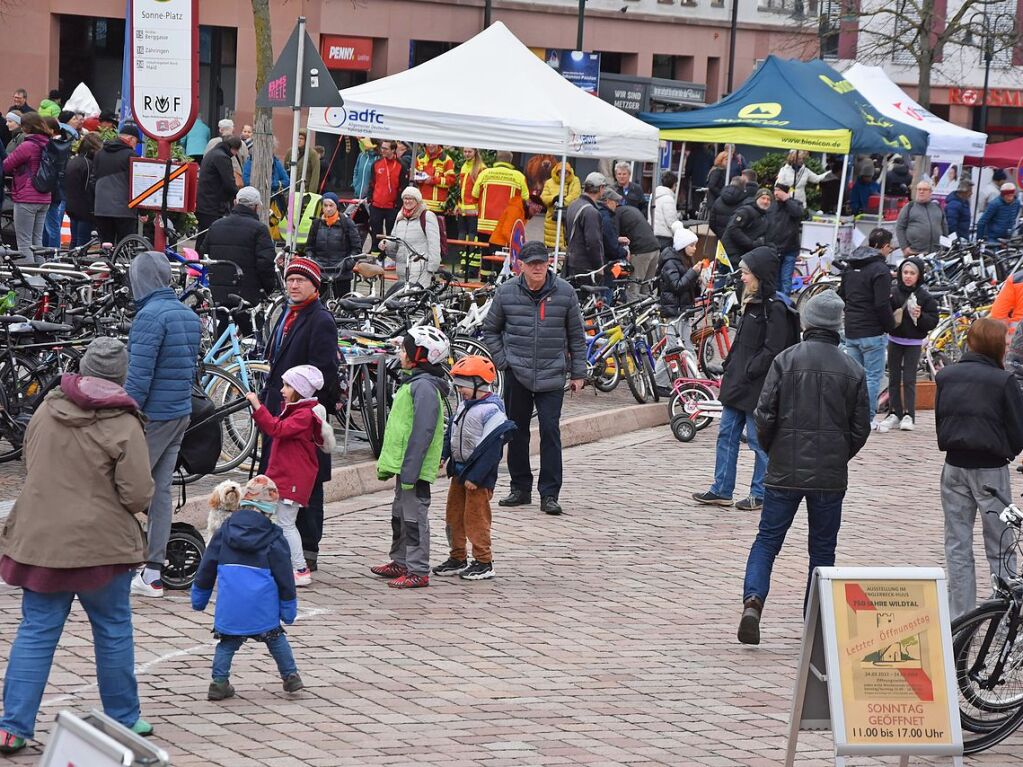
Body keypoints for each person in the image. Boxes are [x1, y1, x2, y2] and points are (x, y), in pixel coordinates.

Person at [0, 339, 155, 754]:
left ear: (82, 369)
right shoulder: (124, 423)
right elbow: (137, 494)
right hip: (102, 547)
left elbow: (34, 466)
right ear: (121, 377)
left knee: (35, 632)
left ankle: (12, 726)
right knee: (113, 629)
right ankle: (123, 719)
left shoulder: (47, 410)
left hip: (42, 541)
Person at [738, 291, 870, 644]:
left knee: (767, 541)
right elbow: (861, 427)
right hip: (829, 475)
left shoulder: (786, 359)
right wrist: (839, 454)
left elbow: (764, 414)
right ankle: (814, 621)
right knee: (823, 550)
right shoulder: (853, 369)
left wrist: (774, 449)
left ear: (808, 322)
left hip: (784, 468)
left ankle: (753, 600)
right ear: (837, 325)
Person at [483, 241, 587, 516]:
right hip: (518, 373)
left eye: (542, 262)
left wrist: (578, 372)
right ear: (521, 266)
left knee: (550, 431)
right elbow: (490, 330)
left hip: (552, 373)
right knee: (516, 431)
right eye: (532, 264)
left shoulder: (564, 293)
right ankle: (520, 487)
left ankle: (549, 493)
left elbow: (577, 335)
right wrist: (503, 361)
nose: (538, 267)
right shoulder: (506, 293)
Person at [123, 252, 200, 598]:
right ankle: (153, 571)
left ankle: (114, 560)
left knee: (122, 486)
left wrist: (120, 412)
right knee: (160, 492)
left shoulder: (148, 318)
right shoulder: (187, 314)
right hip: (179, 412)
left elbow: (138, 379)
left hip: (152, 416)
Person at [935, 318, 1023, 619]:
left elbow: (941, 418)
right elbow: (1017, 429)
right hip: (990, 468)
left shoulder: (946, 376)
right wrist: (1009, 451)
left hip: (954, 464)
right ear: (996, 344)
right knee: (1000, 541)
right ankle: (1005, 612)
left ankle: (960, 613)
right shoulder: (1003, 380)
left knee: (957, 542)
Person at [260, 257, 340, 574]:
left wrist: (306, 413)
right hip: (281, 410)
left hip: (302, 417)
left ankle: (307, 549)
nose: (293, 285)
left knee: (308, 482)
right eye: (290, 279)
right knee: (281, 477)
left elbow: (325, 373)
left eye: (300, 281)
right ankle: (282, 544)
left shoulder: (320, 319)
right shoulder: (288, 313)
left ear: (315, 286)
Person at [191, 475, 303, 701]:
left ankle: (219, 682)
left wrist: (199, 596)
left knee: (227, 644)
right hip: (263, 607)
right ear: (269, 509)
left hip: (231, 606)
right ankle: (291, 677)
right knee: (276, 639)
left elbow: (207, 566)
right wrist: (288, 608)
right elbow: (284, 578)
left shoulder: (223, 532)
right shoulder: (274, 537)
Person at [693, 247, 788, 512]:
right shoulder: (751, 301)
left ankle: (760, 493)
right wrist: (730, 364)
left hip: (756, 385)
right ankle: (721, 489)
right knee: (726, 434)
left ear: (760, 274)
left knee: (758, 442)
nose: (742, 277)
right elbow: (742, 340)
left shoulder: (775, 308)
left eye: (746, 273)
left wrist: (749, 369)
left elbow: (773, 349)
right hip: (738, 382)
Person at [371, 326, 450, 589]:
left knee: (414, 518)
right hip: (404, 465)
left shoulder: (425, 387)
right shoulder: (413, 382)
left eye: (405, 349)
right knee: (400, 514)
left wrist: (411, 467)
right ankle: (400, 560)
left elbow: (423, 430)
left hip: (413, 468)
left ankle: (418, 569)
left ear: (420, 355)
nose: (401, 353)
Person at [432, 356, 516, 581]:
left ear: (479, 383)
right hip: (459, 473)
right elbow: (452, 432)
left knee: (476, 519)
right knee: (454, 516)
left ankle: (484, 561)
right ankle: (458, 556)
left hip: (478, 479)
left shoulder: (491, 412)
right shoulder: (464, 405)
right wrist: (444, 455)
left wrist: (477, 477)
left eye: (462, 386)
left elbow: (492, 451)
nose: (459, 390)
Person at [247, 366, 331, 587]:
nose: (282, 390)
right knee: (277, 520)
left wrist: (258, 406)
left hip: (293, 479)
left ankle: (300, 568)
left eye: (287, 386)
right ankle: (277, 561)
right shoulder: (298, 410)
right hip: (286, 476)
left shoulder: (303, 415)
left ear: (300, 390)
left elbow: (277, 429)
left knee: (286, 523)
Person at [839, 227, 897, 429]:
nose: (890, 251)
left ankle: (849, 416)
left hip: (852, 328)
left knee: (854, 376)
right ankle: (867, 418)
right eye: (890, 247)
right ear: (883, 247)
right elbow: (882, 304)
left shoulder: (850, 266)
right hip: (872, 330)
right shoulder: (880, 270)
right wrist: (890, 325)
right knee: (872, 377)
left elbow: (841, 294)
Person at [878, 257, 939, 433]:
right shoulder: (893, 293)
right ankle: (894, 412)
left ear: (919, 275)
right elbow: (885, 314)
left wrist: (920, 317)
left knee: (910, 379)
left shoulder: (924, 296)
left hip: (913, 342)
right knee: (894, 378)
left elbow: (932, 321)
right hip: (894, 339)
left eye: (912, 273)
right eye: (905, 272)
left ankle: (909, 415)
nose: (908, 276)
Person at [202, 187, 277, 325]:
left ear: (235, 202)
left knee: (220, 340)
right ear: (256, 207)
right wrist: (268, 288)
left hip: (218, 294)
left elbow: (205, 252)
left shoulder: (216, 225)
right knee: (254, 339)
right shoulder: (259, 229)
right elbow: (265, 263)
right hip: (247, 295)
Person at [654, 225, 705, 390]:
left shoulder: (684, 261)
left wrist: (698, 279)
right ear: (683, 246)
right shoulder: (670, 263)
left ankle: (692, 382)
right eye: (692, 245)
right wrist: (693, 273)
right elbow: (676, 286)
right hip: (673, 311)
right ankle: (659, 381)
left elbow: (690, 288)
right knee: (671, 348)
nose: (694, 248)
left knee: (687, 346)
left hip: (683, 311)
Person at [2, 112, 51, 260]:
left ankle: (29, 278)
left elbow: (6, 165)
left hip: (26, 197)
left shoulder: (28, 145)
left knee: (24, 242)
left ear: (27, 127)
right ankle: (42, 277)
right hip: (45, 197)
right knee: (37, 242)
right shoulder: (48, 143)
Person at [305, 191, 362, 298]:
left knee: (341, 305)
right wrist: (313, 261)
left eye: (331, 205)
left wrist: (346, 265)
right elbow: (309, 247)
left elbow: (356, 249)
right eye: (325, 205)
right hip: (320, 272)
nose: (328, 209)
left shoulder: (347, 223)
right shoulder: (316, 224)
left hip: (341, 274)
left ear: (336, 206)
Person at [382, 186, 441, 288]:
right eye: (405, 198)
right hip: (402, 268)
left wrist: (432, 267)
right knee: (403, 300)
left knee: (415, 298)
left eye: (411, 199)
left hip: (420, 268)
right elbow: (394, 239)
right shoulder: (400, 216)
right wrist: (386, 244)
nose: (407, 201)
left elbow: (434, 243)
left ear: (417, 200)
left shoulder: (427, 216)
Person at [92, 121, 140, 244]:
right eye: (136, 141)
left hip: (101, 208)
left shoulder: (100, 153)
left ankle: (105, 263)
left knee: (106, 245)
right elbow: (136, 184)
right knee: (124, 246)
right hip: (124, 210)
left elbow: (93, 180)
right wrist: (142, 211)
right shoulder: (131, 155)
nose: (136, 145)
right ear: (130, 139)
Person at [472, 151, 529, 248]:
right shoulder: (519, 176)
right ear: (510, 161)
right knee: (502, 257)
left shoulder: (484, 173)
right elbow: (526, 199)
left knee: (485, 255)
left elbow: (474, 195)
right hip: (506, 226)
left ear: (496, 159)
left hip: (485, 225)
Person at [195, 135, 241, 253]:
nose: (235, 154)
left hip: (204, 201)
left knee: (202, 235)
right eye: (236, 151)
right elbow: (229, 182)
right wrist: (238, 195)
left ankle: (196, 262)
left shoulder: (213, 153)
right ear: (234, 148)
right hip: (213, 203)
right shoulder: (223, 158)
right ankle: (201, 262)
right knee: (208, 236)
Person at [616, 188, 661, 300]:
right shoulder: (631, 210)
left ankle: (633, 317)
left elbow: (614, 238)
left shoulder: (616, 214)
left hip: (641, 251)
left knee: (633, 289)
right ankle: (648, 315)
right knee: (646, 288)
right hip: (655, 248)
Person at [62, 132, 103, 248]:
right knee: (82, 242)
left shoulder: (74, 161)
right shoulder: (88, 164)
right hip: (85, 209)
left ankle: (71, 263)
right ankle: (78, 264)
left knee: (74, 240)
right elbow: (89, 187)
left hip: (72, 206)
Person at [367, 140, 407, 252]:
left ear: (393, 150)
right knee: (375, 235)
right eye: (382, 148)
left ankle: (389, 258)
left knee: (391, 236)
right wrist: (370, 199)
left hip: (392, 207)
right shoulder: (376, 164)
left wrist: (398, 205)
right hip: (376, 205)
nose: (382, 150)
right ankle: (376, 257)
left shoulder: (401, 166)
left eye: (385, 148)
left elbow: (403, 187)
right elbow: (372, 183)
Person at [564, 172, 606, 279]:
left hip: (571, 261)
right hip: (585, 266)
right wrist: (599, 267)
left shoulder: (573, 205)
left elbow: (566, 233)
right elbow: (593, 242)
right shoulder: (591, 211)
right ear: (601, 188)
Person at [766, 183, 805, 297]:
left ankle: (785, 304)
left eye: (778, 190)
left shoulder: (795, 204)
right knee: (775, 280)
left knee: (786, 280)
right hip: (774, 248)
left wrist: (787, 199)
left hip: (790, 249)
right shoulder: (772, 206)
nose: (776, 193)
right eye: (775, 190)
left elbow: (798, 213)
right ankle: (776, 303)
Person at [721, 187, 773, 267]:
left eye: (768, 199)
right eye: (763, 198)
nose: (765, 201)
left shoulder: (764, 217)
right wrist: (750, 243)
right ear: (756, 199)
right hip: (732, 254)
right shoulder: (746, 211)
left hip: (745, 255)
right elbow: (733, 228)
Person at [455, 147, 487, 275]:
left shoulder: (481, 168)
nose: (466, 154)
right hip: (463, 209)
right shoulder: (464, 166)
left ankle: (472, 269)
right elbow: (461, 189)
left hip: (474, 211)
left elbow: (482, 191)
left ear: (475, 152)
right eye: (465, 151)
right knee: (462, 237)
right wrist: (458, 204)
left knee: (473, 239)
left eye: (469, 152)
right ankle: (463, 266)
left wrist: (477, 208)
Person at [895, 179, 948, 256]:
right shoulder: (909, 207)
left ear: (930, 192)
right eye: (919, 189)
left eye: (924, 189)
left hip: (936, 253)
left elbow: (944, 226)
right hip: (915, 253)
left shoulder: (937, 207)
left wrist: (945, 247)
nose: (921, 191)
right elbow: (900, 227)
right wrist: (904, 248)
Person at [540, 161, 580, 249]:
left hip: (568, 218)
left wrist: (563, 202)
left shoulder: (575, 181)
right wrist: (553, 198)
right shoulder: (549, 182)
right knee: (552, 249)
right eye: (560, 172)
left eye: (566, 172)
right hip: (552, 220)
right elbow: (543, 197)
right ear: (556, 172)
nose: (563, 174)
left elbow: (575, 195)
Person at [414, 144, 456, 217]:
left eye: (433, 143)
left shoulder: (446, 160)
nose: (430, 145)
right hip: (421, 206)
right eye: (428, 143)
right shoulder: (420, 158)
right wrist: (417, 179)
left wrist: (433, 180)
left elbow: (451, 181)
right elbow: (413, 176)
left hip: (437, 208)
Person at [709, 176, 749, 240]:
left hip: (720, 236)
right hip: (736, 240)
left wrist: (718, 233)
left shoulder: (718, 200)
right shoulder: (745, 201)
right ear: (744, 186)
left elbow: (712, 221)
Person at [284, 129, 320, 197]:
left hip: (304, 190)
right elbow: (284, 171)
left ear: (306, 140)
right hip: (290, 190)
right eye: (297, 138)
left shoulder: (312, 154)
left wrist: (311, 193)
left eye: (301, 138)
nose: (299, 140)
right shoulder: (290, 152)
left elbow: (315, 175)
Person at [651, 170, 680, 250]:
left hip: (653, 234)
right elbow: (671, 222)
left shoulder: (653, 195)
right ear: (674, 184)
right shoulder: (668, 198)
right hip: (665, 237)